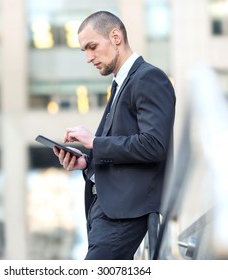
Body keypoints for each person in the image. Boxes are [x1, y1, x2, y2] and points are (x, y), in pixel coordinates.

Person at [53, 11, 176, 260]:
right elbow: (123, 146)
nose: (89, 58)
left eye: (93, 47)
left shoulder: (149, 78)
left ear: (116, 37)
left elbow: (154, 145)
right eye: (84, 51)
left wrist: (95, 143)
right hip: (107, 212)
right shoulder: (121, 84)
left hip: (125, 214)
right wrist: (87, 161)